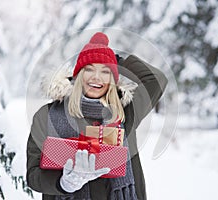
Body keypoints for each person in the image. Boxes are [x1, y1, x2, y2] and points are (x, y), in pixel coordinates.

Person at [26, 32, 168, 200]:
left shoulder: (125, 112)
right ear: (78, 75)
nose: (96, 77)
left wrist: (114, 60)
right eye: (89, 69)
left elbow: (157, 79)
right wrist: (64, 183)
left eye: (105, 71)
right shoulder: (47, 115)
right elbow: (33, 174)